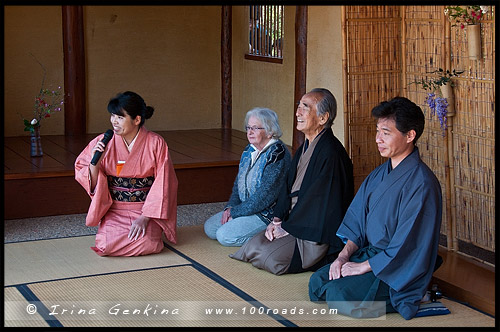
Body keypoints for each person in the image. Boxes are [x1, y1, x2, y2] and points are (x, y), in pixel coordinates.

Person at [308, 96, 443, 320]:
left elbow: (407, 245)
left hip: (398, 267)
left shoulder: (422, 184)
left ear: (410, 135)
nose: (378, 139)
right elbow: (357, 222)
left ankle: (417, 296)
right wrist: (343, 257)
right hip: (370, 255)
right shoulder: (378, 175)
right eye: (378, 131)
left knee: (339, 295)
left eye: (386, 133)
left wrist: (361, 268)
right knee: (318, 283)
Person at [230, 88, 354, 275]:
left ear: (323, 118)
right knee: (252, 247)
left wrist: (288, 227)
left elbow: (322, 204)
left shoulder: (332, 154)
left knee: (270, 258)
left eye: (305, 107)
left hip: (313, 229)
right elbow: (286, 187)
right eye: (299, 106)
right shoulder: (305, 146)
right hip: (293, 218)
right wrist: (277, 219)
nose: (298, 112)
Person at [75, 91, 178, 256]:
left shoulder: (156, 143)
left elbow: (164, 182)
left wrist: (145, 217)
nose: (114, 122)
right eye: (112, 116)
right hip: (115, 208)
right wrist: (95, 164)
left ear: (137, 120)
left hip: (145, 210)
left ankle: (149, 228)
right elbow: (82, 168)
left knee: (149, 244)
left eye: (120, 117)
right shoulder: (103, 141)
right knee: (106, 246)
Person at [204, 107, 291, 246]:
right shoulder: (249, 149)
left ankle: (268, 237)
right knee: (210, 228)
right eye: (248, 127)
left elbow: (264, 197)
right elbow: (238, 183)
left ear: (270, 131)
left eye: (255, 128)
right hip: (246, 208)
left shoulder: (278, 155)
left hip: (265, 214)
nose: (249, 132)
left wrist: (236, 212)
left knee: (224, 236)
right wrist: (230, 207)